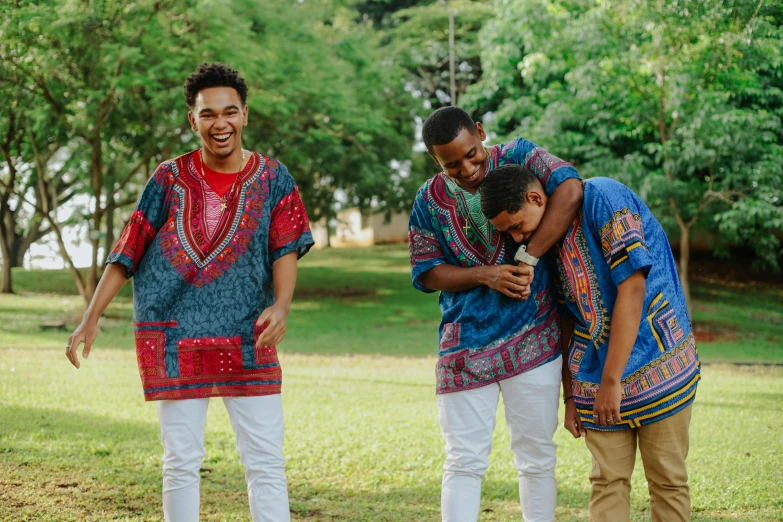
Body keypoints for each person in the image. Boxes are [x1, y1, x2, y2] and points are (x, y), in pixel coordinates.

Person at [65, 62, 314, 522]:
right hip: (176, 336)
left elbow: (285, 247)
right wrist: (90, 316)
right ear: (192, 120)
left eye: (230, 112)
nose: (220, 123)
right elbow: (129, 248)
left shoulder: (274, 178)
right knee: (180, 462)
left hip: (249, 334)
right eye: (208, 114)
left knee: (265, 462)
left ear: (244, 116)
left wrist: (281, 305)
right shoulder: (167, 177)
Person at [480, 164, 700, 522]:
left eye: (517, 226)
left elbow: (633, 287)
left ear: (535, 198)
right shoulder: (544, 245)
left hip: (658, 362)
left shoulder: (603, 196)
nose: (518, 239)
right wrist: (571, 397)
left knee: (667, 481)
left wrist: (613, 383)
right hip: (593, 378)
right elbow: (566, 318)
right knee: (606, 481)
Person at [408, 106, 583, 522]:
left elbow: (571, 189)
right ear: (436, 161)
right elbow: (426, 272)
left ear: (481, 132)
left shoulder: (521, 156)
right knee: (463, 462)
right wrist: (484, 275)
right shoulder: (428, 200)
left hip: (535, 340)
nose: (467, 168)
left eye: (472, 154)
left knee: (537, 458)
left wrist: (529, 256)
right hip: (465, 346)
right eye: (452, 165)